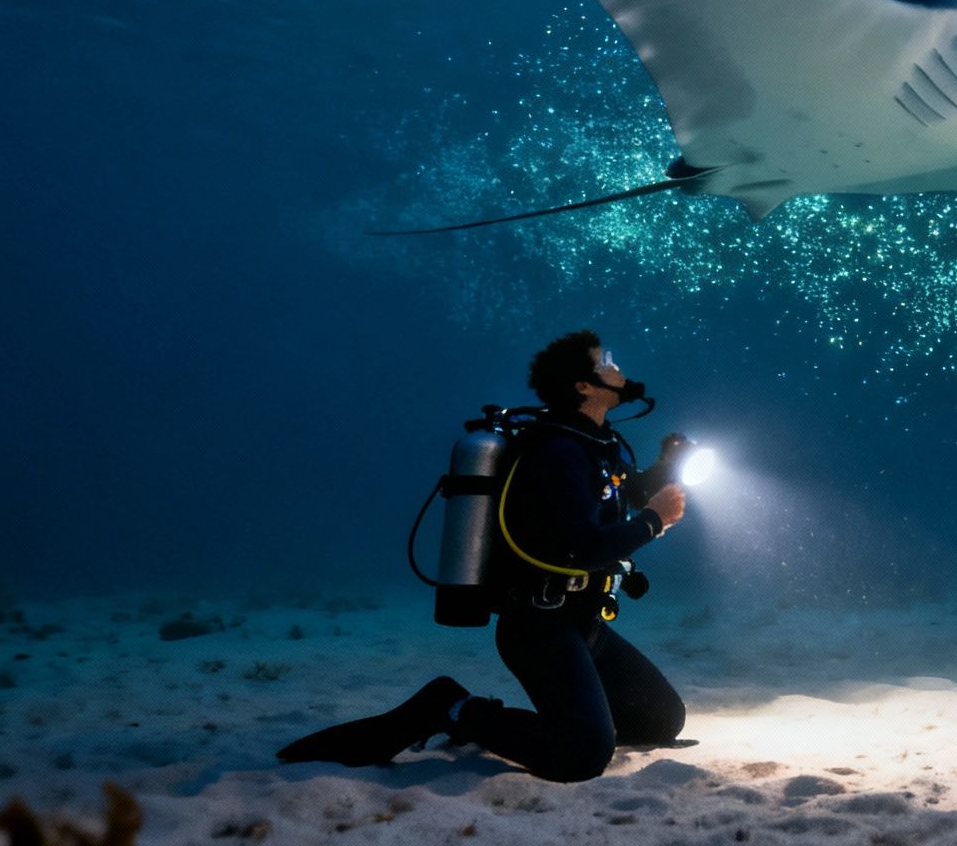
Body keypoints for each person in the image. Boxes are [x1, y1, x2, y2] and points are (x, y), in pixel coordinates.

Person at [277, 330, 689, 781]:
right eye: (604, 360)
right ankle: (451, 708)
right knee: (583, 755)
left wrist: (668, 464)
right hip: (539, 627)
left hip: (583, 622)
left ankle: (573, 712)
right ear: (583, 386)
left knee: (660, 722)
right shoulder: (558, 453)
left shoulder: (597, 445)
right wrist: (652, 521)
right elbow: (580, 548)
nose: (617, 367)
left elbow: (626, 494)